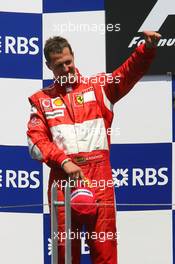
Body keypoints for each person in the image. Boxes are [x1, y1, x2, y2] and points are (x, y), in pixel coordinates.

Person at [27, 31, 161, 264]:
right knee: (64, 254)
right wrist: (63, 161)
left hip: (99, 179)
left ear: (74, 57)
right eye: (59, 65)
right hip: (63, 181)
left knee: (105, 250)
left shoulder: (98, 87)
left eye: (69, 62)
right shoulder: (41, 100)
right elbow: (35, 144)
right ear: (49, 66)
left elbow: (127, 73)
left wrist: (146, 48)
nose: (66, 69)